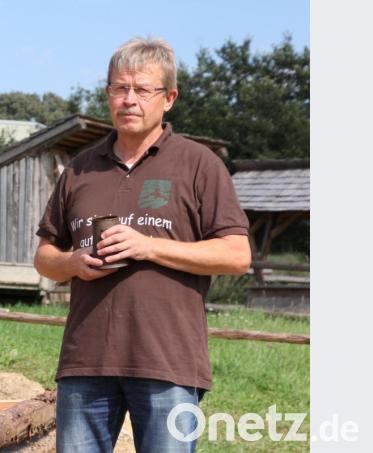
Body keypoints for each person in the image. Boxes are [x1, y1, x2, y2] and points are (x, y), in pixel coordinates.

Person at [34, 37, 251, 452]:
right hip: (86, 361)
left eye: (142, 89)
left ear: (169, 98)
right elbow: (44, 258)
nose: (129, 99)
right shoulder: (80, 169)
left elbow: (237, 256)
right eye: (119, 88)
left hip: (167, 362)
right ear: (108, 94)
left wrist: (147, 247)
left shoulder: (198, 164)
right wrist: (73, 262)